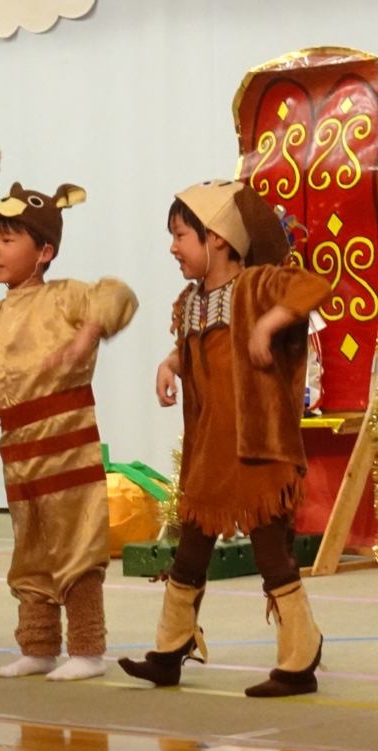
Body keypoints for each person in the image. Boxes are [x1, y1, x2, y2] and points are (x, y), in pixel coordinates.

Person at [118, 180, 331, 697]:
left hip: (257, 453)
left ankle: (301, 659)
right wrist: (171, 363)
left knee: (271, 557)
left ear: (215, 237)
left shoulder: (257, 285)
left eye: (180, 236)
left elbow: (313, 286)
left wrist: (268, 324)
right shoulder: (191, 302)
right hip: (210, 453)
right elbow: (204, 350)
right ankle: (170, 651)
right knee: (189, 556)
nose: (173, 248)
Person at [0, 182, 137, 681]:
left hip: (68, 447)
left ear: (44, 251)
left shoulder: (64, 296)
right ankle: (38, 647)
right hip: (19, 453)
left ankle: (87, 650)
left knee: (77, 545)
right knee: (31, 549)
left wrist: (86, 335)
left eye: (7, 240)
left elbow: (117, 295)